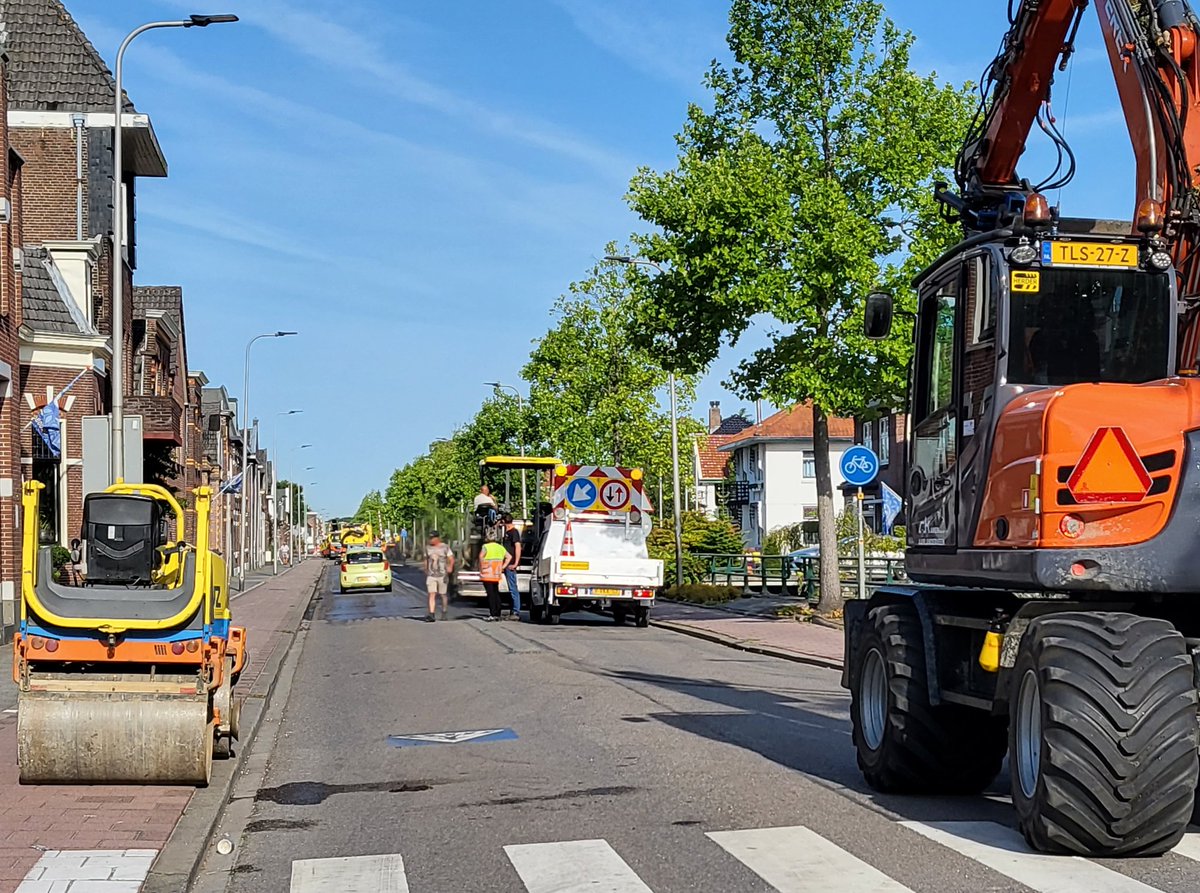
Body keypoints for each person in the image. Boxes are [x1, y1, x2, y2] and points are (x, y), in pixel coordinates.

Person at [478, 533, 511, 622]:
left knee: (490, 594)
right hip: (496, 573)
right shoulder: (500, 547)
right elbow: (509, 557)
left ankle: (492, 614)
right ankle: (497, 613)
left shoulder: (486, 547)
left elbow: (481, 557)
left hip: (487, 573)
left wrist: (481, 567)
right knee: (496, 593)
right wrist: (503, 567)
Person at [424, 531, 455, 622]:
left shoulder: (445, 547)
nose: (431, 540)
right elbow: (426, 559)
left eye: (432, 538)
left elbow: (451, 558)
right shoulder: (428, 548)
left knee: (442, 594)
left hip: (442, 575)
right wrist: (425, 569)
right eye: (430, 538)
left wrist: (450, 567)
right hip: (431, 575)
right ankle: (431, 614)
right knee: (432, 593)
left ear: (437, 538)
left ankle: (444, 612)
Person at [501, 513, 522, 620]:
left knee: (513, 588)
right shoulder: (507, 532)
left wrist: (515, 563)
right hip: (507, 563)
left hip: (511, 564)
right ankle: (512, 610)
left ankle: (516, 612)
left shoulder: (514, 532)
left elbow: (518, 547)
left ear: (504, 521)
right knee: (511, 588)